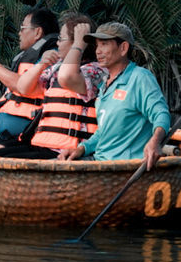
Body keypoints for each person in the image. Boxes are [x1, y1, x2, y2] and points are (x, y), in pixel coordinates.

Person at [58, 22, 170, 170]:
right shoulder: (105, 84)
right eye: (97, 46)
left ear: (123, 48)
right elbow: (103, 133)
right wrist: (81, 148)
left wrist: (155, 142)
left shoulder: (139, 78)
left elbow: (161, 114)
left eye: (104, 44)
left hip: (124, 166)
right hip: (100, 161)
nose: (98, 51)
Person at [9, 14, 108, 159]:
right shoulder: (56, 68)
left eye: (61, 39)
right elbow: (23, 87)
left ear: (77, 42)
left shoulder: (96, 71)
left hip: (67, 151)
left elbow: (66, 77)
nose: (57, 44)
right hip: (45, 145)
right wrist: (42, 64)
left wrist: (79, 44)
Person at [0, 6, 58, 153]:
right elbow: (9, 95)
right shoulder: (25, 59)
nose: (19, 33)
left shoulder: (51, 57)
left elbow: (22, 86)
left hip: (27, 137)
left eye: (22, 28)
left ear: (38, 32)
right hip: (5, 136)